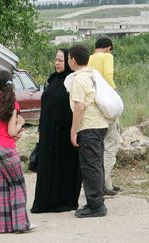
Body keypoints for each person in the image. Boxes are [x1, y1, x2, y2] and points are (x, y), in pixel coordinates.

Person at [31, 49, 82, 213]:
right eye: (56, 60)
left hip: (64, 134)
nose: (57, 63)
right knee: (47, 168)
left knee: (64, 167)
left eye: (60, 60)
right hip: (48, 133)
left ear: (68, 62)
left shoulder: (72, 81)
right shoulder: (53, 80)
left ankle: (63, 201)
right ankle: (46, 202)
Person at [0, 70, 35, 233]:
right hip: (5, 148)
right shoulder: (13, 103)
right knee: (17, 184)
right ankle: (21, 224)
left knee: (2, 186)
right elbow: (12, 131)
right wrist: (21, 122)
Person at [66, 44, 110, 218]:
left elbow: (79, 107)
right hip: (100, 124)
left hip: (89, 125)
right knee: (97, 164)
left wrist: (73, 130)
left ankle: (96, 205)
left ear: (73, 60)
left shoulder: (78, 79)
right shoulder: (93, 75)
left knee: (90, 166)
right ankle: (96, 201)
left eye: (69, 57)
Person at [88, 36, 121, 196]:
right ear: (108, 48)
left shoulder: (89, 59)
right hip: (107, 104)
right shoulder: (107, 56)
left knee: (100, 145)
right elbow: (108, 76)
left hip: (95, 106)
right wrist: (115, 93)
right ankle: (103, 183)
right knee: (112, 142)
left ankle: (107, 182)